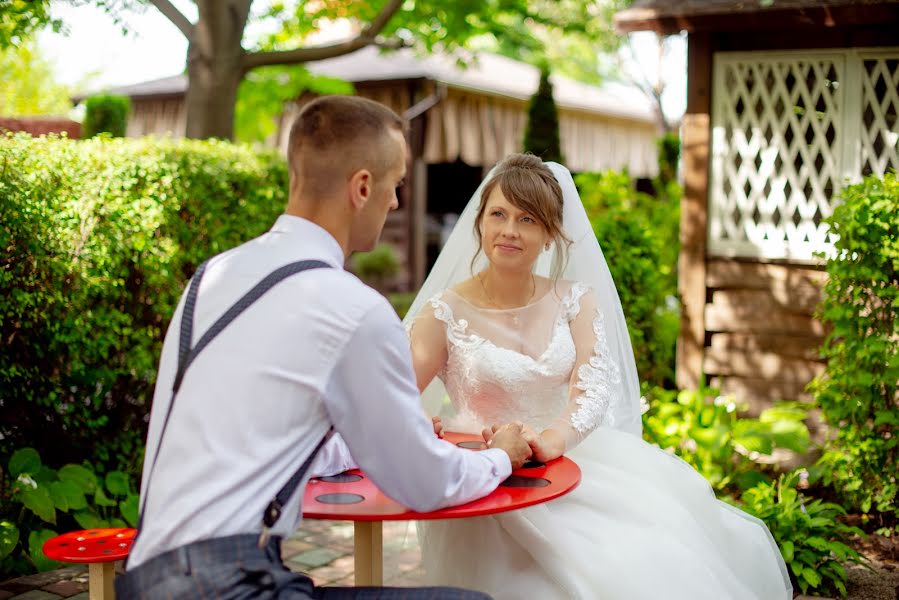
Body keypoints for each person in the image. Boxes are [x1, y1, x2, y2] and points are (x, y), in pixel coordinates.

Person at [117, 96, 532, 599]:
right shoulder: (351, 307)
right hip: (226, 586)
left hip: (148, 578)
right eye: (395, 185)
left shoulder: (211, 278)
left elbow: (266, 437)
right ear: (362, 187)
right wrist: (502, 458)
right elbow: (423, 482)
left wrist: (377, 437)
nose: (397, 202)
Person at [403, 153, 793, 600]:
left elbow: (593, 386)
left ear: (550, 234)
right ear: (480, 223)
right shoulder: (445, 313)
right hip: (490, 483)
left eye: (527, 219)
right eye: (499, 214)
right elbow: (392, 395)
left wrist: (553, 440)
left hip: (576, 461)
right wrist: (422, 428)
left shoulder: (575, 300)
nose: (510, 230)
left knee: (645, 560)